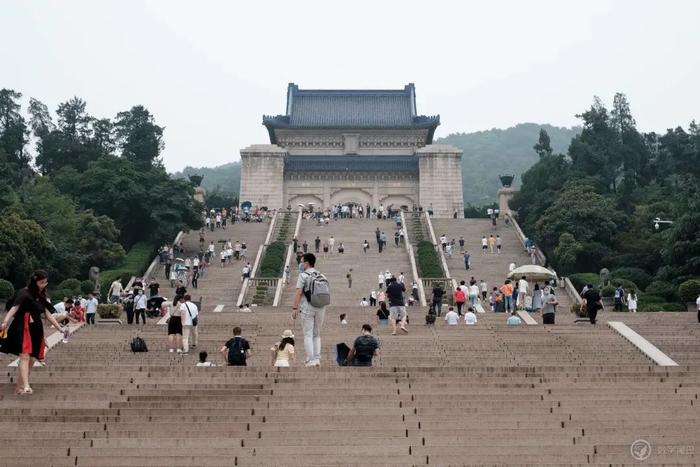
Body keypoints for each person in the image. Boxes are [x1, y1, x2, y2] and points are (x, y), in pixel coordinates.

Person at [0, 270, 66, 395]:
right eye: (41, 282)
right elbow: (15, 307)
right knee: (24, 355)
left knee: (31, 358)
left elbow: (47, 314)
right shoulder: (24, 293)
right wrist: (5, 321)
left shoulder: (41, 296)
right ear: (34, 282)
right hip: (23, 326)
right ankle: (26, 385)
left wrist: (59, 328)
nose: (44, 285)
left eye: (45, 283)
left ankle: (19, 387)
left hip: (36, 328)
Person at [292, 253, 327, 367]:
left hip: (308, 307)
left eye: (302, 262)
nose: (301, 264)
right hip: (321, 307)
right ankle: (317, 359)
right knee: (316, 334)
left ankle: (311, 359)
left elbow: (298, 292)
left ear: (306, 263)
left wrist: (295, 308)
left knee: (308, 334)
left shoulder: (303, 275)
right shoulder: (322, 275)